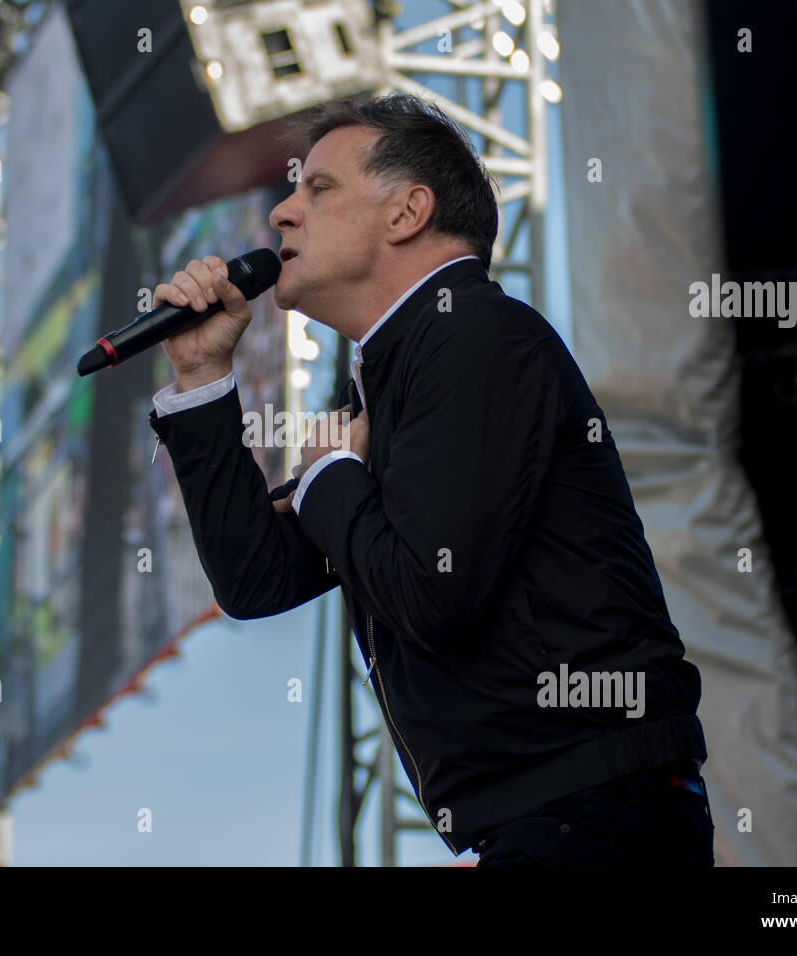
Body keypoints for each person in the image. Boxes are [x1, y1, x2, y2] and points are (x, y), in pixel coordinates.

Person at [145, 92, 713, 866]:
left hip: (596, 815)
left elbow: (433, 595)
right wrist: (205, 378)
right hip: (542, 822)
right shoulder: (390, 382)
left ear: (407, 212)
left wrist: (332, 477)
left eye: (318, 189)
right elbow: (255, 578)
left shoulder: (476, 337)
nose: (281, 214)